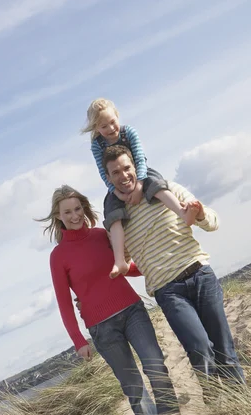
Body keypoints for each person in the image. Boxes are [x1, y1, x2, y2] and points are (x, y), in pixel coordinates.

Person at [37, 185, 184, 415]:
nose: (74, 216)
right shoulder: (58, 257)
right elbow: (64, 302)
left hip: (132, 310)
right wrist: (78, 341)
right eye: (67, 212)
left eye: (78, 209)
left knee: (155, 366)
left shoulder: (100, 235)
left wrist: (155, 266)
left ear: (84, 207)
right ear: (58, 216)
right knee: (133, 387)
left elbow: (124, 267)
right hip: (102, 328)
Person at [101, 145, 246, 394]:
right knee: (199, 349)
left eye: (126, 168)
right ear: (108, 178)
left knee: (224, 347)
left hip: (200, 274)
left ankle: (243, 406)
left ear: (135, 166)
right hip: (169, 291)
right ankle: (218, 407)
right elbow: (123, 263)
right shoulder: (118, 221)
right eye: (115, 172)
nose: (123, 176)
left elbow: (213, 222)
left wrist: (199, 214)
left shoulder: (165, 189)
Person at [81, 98, 198, 279]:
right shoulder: (97, 145)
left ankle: (182, 212)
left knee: (158, 185)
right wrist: (116, 191)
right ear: (97, 128)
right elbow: (103, 172)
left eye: (113, 122)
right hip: (116, 183)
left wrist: (139, 185)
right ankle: (120, 259)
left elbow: (140, 158)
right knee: (112, 213)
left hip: (140, 172)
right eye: (104, 126)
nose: (111, 129)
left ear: (117, 117)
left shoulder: (129, 133)